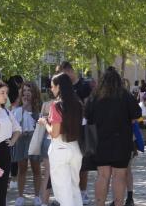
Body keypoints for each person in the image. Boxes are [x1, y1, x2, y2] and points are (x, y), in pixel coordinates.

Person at [85, 67, 141, 206]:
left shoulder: (95, 96)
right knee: (119, 176)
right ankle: (118, 203)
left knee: (102, 176)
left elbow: (87, 116)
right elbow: (137, 114)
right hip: (121, 142)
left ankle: (100, 204)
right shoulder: (125, 95)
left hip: (100, 142)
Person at [39, 73, 84, 206]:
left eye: (52, 86)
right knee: (74, 189)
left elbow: (54, 133)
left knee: (63, 193)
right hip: (75, 148)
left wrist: (45, 122)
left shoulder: (56, 106)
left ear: (59, 87)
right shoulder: (77, 104)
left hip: (60, 149)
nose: (51, 89)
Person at [56, 61, 92, 204]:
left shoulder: (83, 86)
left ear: (70, 71)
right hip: (66, 129)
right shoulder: (63, 86)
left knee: (82, 163)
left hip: (81, 129)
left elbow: (89, 107)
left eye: (62, 74)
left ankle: (82, 192)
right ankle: (68, 193)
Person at [12, 82, 43, 206]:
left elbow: (41, 123)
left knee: (36, 168)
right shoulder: (18, 108)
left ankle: (37, 196)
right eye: (24, 90)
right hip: (21, 139)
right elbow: (15, 124)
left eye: (29, 91)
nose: (26, 93)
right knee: (22, 168)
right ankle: (20, 197)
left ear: (34, 92)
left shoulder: (38, 107)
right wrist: (24, 108)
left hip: (34, 139)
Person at [38, 88, 56, 206]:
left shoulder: (46, 104)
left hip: (46, 139)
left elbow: (40, 122)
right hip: (58, 141)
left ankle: (44, 202)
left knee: (48, 173)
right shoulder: (63, 104)